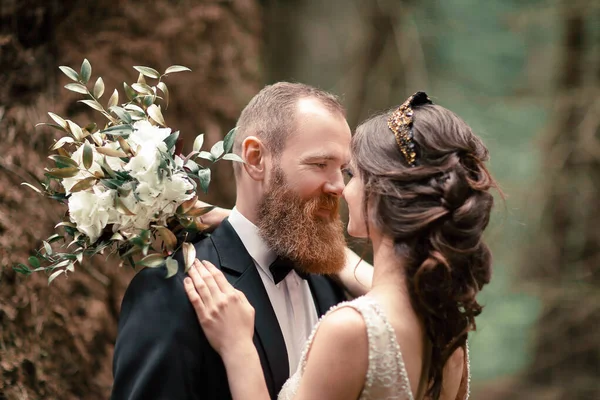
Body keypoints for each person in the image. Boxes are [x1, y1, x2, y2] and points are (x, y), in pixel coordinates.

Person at [184, 92, 499, 399]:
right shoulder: (447, 331)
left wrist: (239, 348)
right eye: (323, 165)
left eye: (352, 174)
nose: (341, 187)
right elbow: (362, 273)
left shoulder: (350, 329)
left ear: (382, 195)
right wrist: (236, 221)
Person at [111, 82, 372, 400]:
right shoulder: (170, 290)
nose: (338, 187)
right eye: (320, 164)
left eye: (343, 170)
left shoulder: (327, 285)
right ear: (255, 158)